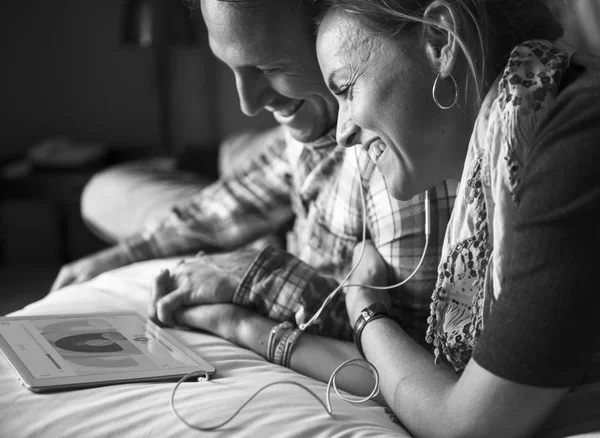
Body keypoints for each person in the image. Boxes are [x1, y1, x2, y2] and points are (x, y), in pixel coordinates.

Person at [161, 0, 600, 435]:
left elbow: (464, 424)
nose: (342, 131)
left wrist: (366, 308)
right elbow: (424, 385)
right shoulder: (504, 161)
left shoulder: (574, 146)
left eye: (347, 88)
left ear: (440, 41)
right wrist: (238, 324)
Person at [53, 0, 456, 347]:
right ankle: (224, 168)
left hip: (286, 219)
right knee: (104, 191)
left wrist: (260, 277)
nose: (246, 101)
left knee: (116, 194)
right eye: (231, 68)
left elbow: (405, 346)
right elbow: (241, 197)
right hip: (264, 173)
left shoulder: (403, 161)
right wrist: (119, 257)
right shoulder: (308, 123)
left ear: (335, 30)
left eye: (268, 67)